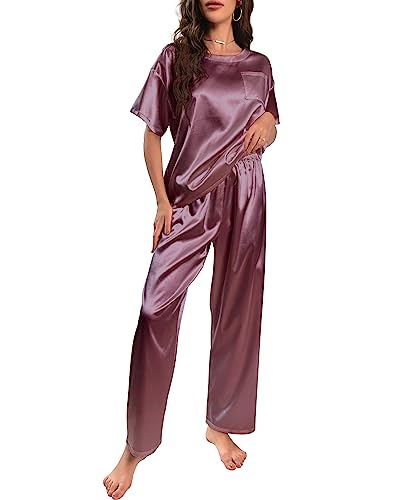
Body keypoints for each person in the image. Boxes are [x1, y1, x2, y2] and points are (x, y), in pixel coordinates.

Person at [103, 0, 280, 498]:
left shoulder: (259, 64)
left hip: (246, 189)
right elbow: (152, 135)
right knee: (154, 310)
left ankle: (220, 424)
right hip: (187, 199)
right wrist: (162, 201)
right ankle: (136, 446)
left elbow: (268, 120)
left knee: (238, 306)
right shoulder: (175, 57)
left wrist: (271, 124)